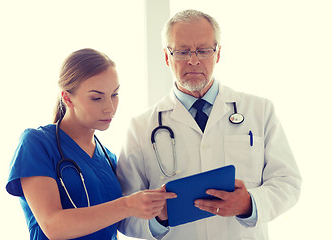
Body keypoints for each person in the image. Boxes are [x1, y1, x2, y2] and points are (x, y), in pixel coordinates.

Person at [116, 9, 302, 240]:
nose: (193, 60)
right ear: (167, 56)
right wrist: (159, 216)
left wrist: (249, 204)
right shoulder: (141, 127)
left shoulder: (260, 111)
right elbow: (123, 214)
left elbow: (288, 182)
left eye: (203, 50)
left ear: (218, 53)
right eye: (182, 51)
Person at [6, 48, 176, 240]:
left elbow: (120, 223)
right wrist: (128, 205)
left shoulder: (108, 158)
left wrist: (159, 214)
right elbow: (53, 226)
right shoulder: (37, 144)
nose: (110, 108)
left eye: (115, 94)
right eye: (96, 98)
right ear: (68, 98)